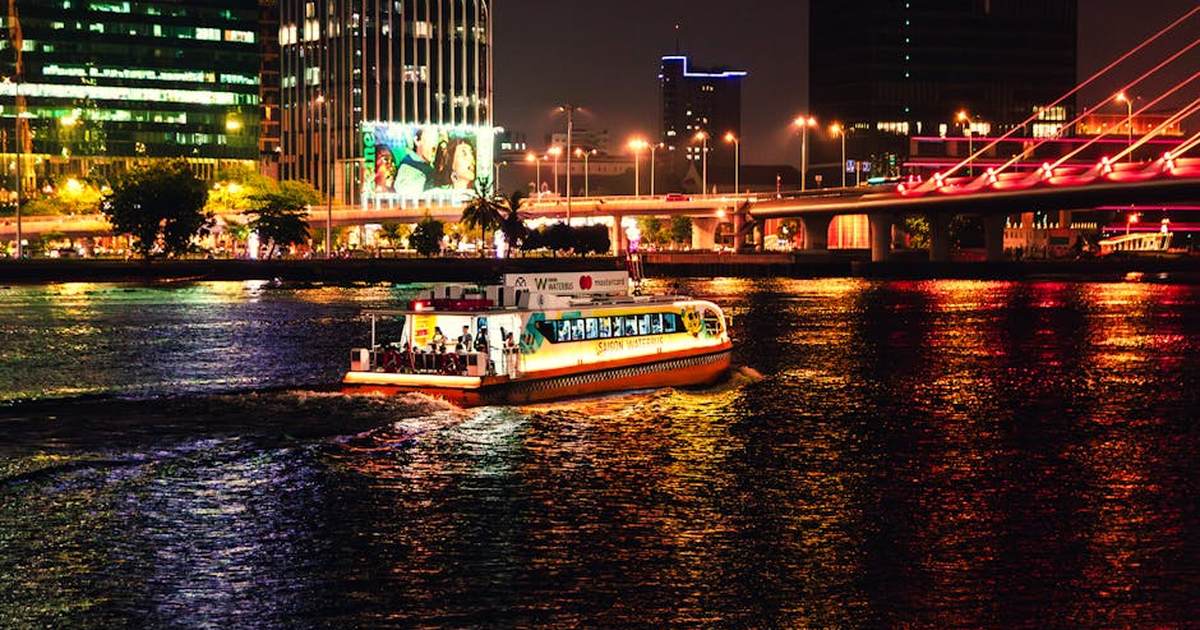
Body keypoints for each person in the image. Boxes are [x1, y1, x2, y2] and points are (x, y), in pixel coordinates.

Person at [393, 126, 441, 195]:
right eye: (430, 139)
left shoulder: (428, 164)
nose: (434, 145)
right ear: (417, 141)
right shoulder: (408, 167)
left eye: (436, 139)